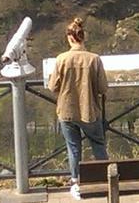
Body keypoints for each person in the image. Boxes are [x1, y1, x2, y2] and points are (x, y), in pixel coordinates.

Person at [48, 18, 108, 200]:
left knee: (73, 148)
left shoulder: (61, 59)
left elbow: (52, 86)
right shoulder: (94, 59)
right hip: (89, 110)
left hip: (66, 110)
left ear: (70, 38)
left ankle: (75, 183)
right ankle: (105, 179)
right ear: (83, 37)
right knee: (98, 144)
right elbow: (102, 88)